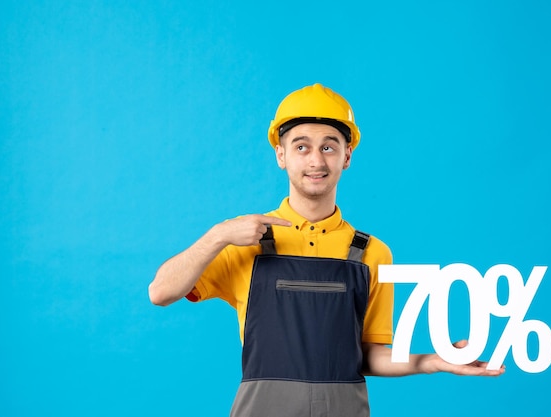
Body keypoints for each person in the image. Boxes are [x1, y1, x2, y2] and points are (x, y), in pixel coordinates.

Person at [149, 83, 504, 417]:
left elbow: (369, 354)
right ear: (281, 155)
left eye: (329, 146)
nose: (316, 161)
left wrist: (430, 361)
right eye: (301, 147)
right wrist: (219, 235)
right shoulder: (244, 240)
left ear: (346, 156)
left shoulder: (371, 253)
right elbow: (161, 292)